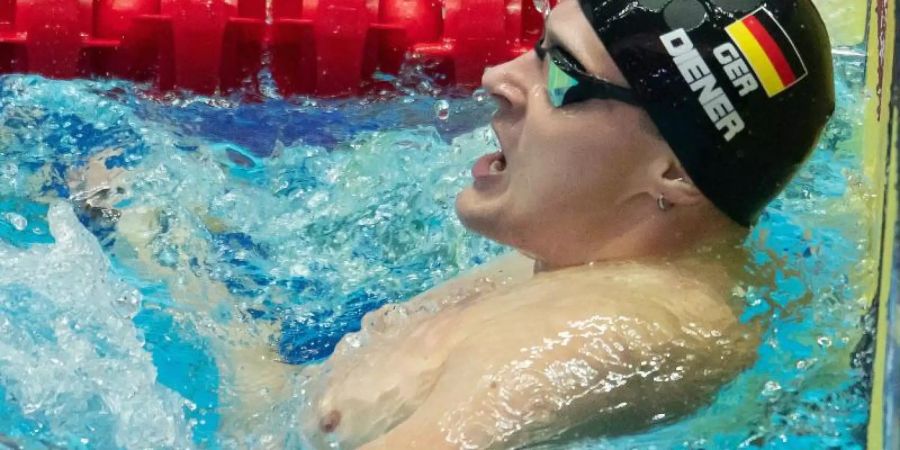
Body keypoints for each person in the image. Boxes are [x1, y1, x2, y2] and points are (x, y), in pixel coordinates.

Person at [292, 0, 835, 448]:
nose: (495, 78)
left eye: (560, 74)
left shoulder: (601, 331)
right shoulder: (591, 270)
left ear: (674, 173)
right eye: (535, 47)